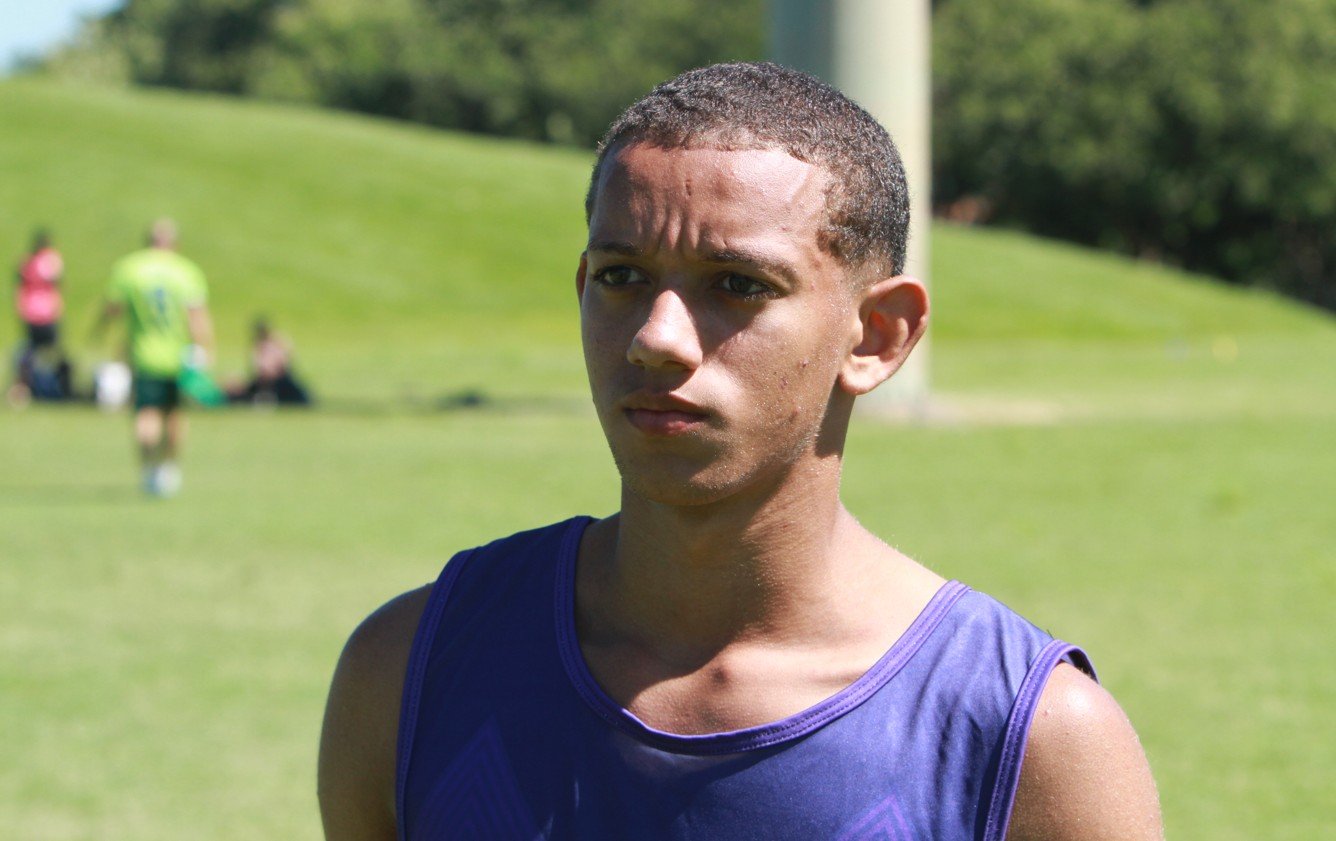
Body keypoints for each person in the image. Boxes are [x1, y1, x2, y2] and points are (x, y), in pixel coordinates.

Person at [318, 63, 1162, 840]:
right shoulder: (410, 670)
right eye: (622, 276)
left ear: (876, 335)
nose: (655, 337)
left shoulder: (1030, 739)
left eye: (738, 285)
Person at [93, 219, 214, 497]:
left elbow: (113, 308)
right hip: (179, 356)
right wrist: (202, 349)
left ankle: (149, 469)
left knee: (146, 414)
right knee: (174, 415)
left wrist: (99, 332)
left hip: (144, 354)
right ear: (175, 243)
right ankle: (168, 468)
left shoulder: (130, 268)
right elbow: (197, 316)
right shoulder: (185, 271)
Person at [9, 229, 67, 403]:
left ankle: (26, 387)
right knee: (53, 352)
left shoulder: (26, 262)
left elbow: (19, 284)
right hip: (48, 312)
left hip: (30, 311)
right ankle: (56, 389)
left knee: (30, 352)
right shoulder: (52, 261)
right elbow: (59, 282)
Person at [227, 317, 312, 406]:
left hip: (280, 382)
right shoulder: (259, 346)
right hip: (265, 382)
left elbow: (281, 365)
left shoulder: (277, 343)